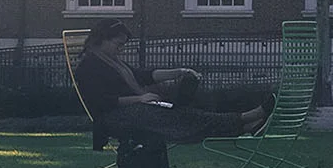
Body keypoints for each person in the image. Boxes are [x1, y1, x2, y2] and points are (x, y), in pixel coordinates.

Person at [73, 21, 267, 145]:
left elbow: (144, 75)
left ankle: (244, 125)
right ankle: (245, 120)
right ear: (103, 40)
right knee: (179, 118)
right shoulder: (89, 66)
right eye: (118, 44)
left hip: (135, 111)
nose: (121, 49)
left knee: (181, 115)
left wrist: (179, 72)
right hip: (115, 119)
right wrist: (139, 98)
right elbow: (101, 102)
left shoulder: (114, 63)